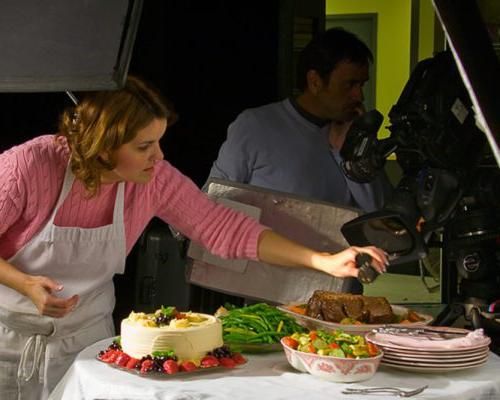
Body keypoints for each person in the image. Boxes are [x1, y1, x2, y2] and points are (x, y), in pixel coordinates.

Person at [0, 76, 387, 399]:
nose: (159, 156)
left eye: (159, 141)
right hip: (7, 340)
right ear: (103, 145)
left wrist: (323, 259)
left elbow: (221, 227)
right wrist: (24, 283)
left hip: (86, 343)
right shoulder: (30, 166)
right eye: (144, 146)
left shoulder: (154, 180)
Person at [207, 27, 393, 213]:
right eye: (350, 84)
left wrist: (349, 151)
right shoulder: (255, 126)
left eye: (362, 84)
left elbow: (380, 214)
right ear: (315, 81)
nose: (359, 95)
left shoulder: (358, 138)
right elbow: (213, 202)